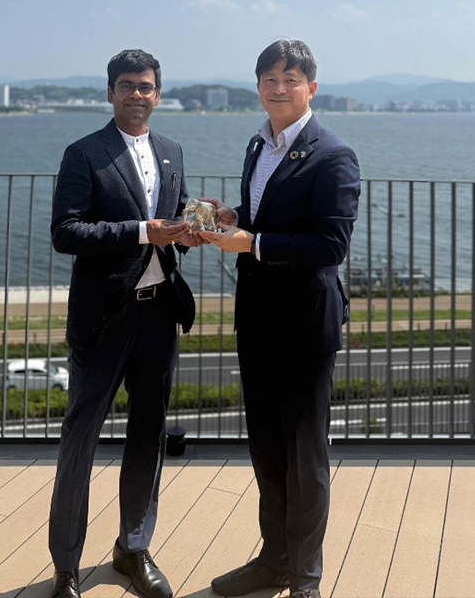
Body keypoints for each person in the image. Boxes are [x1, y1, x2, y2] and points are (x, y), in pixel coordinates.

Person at [198, 39, 360, 598]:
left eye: (291, 79)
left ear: (311, 87)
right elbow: (266, 220)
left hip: (305, 322)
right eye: (269, 78)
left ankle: (306, 577)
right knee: (266, 447)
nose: (279, 87)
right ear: (259, 86)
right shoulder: (257, 144)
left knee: (305, 454)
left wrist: (253, 243)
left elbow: (330, 243)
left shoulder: (332, 154)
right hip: (258, 319)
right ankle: (274, 559)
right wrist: (234, 219)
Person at [45, 48, 199, 598]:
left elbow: (172, 223)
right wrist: (141, 231)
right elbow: (66, 232)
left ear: (159, 93)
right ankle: (66, 564)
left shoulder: (173, 151)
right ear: (109, 92)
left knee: (148, 436)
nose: (138, 94)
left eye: (147, 86)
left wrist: (189, 230)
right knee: (80, 439)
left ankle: (133, 548)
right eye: (128, 85)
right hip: (103, 317)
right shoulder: (84, 152)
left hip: (159, 310)